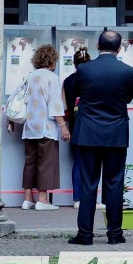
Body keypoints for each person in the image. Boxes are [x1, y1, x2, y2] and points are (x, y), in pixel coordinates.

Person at [67, 30, 133, 245]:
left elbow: (78, 94)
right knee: (114, 183)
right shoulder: (127, 71)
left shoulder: (84, 69)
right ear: (120, 48)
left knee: (88, 184)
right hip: (116, 134)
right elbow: (128, 98)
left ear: (98, 46)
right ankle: (114, 234)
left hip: (88, 133)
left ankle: (85, 234)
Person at [8, 44, 68, 212]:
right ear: (52, 61)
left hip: (29, 127)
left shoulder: (30, 76)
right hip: (46, 127)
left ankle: (28, 199)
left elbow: (18, 98)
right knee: (46, 163)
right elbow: (55, 105)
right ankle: (43, 200)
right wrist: (63, 126)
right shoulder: (51, 77)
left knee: (30, 163)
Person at [61, 46, 90, 209]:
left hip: (74, 125)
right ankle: (89, 197)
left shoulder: (67, 81)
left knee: (78, 162)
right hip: (91, 124)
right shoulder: (92, 78)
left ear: (74, 63)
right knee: (92, 163)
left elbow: (64, 106)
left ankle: (77, 198)